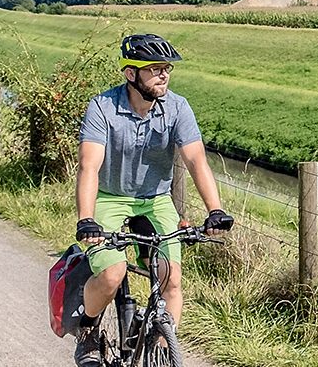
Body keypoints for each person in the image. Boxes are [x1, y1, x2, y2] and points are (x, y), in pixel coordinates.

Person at [71, 33, 233, 365]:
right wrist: (86, 218)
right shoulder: (103, 108)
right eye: (154, 69)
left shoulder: (177, 107)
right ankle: (87, 329)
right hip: (110, 197)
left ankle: (160, 345)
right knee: (112, 274)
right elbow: (89, 165)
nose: (163, 75)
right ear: (131, 74)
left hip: (157, 199)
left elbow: (195, 161)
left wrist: (215, 209)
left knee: (171, 278)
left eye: (167, 69)